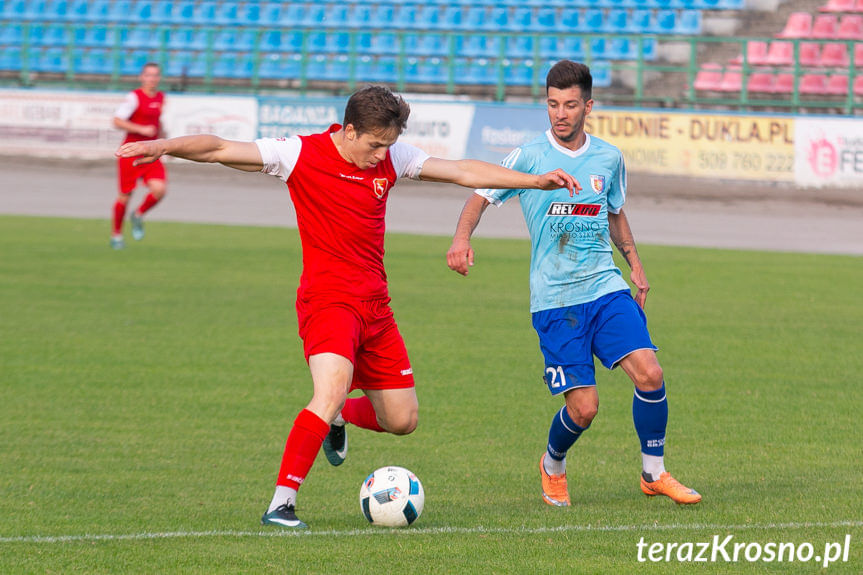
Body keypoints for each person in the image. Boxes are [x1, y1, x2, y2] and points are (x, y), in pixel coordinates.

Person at [116, 85, 578, 528]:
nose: (383, 155)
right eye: (376, 145)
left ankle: (338, 418)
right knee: (330, 387)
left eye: (389, 146)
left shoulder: (392, 155)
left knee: (402, 420)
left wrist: (533, 181)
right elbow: (218, 147)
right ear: (349, 130)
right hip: (327, 300)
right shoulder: (297, 154)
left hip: (376, 305)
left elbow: (461, 170)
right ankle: (282, 503)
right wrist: (163, 145)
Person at [446, 61, 701, 506]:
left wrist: (635, 264)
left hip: (605, 286)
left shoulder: (608, 157)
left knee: (650, 372)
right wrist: (461, 238)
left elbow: (615, 212)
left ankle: (653, 472)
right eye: (552, 104)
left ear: (588, 106)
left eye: (568, 105)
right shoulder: (528, 156)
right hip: (555, 300)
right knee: (584, 409)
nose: (559, 114)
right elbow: (480, 193)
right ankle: (552, 463)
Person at [111, 62, 167, 250]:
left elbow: (156, 122)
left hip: (151, 151)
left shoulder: (161, 97)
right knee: (125, 196)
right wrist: (140, 128)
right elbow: (117, 121)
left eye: (155, 75)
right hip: (131, 152)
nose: (152, 79)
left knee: (159, 190)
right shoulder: (134, 97)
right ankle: (116, 235)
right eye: (148, 75)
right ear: (142, 77)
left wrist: (167, 142)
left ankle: (138, 214)